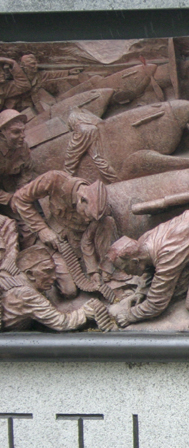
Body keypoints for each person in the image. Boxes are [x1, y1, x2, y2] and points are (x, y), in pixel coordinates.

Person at [12, 169, 116, 298]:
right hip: (50, 242)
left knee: (73, 291)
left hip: (74, 251)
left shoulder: (97, 212)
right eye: (86, 215)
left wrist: (92, 271)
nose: (87, 220)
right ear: (82, 200)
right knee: (66, 289)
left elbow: (87, 241)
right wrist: (41, 229)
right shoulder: (55, 179)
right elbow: (20, 199)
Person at [0, 245, 102, 332]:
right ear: (30, 274)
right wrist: (87, 311)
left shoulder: (16, 283)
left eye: (54, 270)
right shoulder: (26, 293)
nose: (54, 277)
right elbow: (62, 323)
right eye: (47, 271)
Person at [0, 109, 31, 204]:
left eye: (23, 131)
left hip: (13, 185)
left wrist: (20, 192)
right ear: (2, 134)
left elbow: (27, 170)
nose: (23, 136)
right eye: (16, 132)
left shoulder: (23, 146)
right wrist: (9, 199)